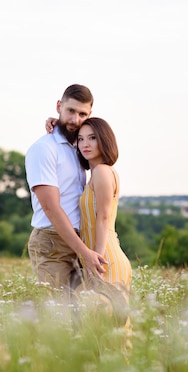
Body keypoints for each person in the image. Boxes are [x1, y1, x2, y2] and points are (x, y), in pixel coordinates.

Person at [25, 84, 107, 297]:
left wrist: (85, 249)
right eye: (70, 111)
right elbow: (51, 208)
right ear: (59, 106)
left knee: (81, 315)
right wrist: (84, 252)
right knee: (58, 315)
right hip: (53, 242)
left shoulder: (79, 147)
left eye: (82, 114)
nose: (75, 120)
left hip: (81, 240)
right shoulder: (44, 149)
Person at [75, 117, 132, 325]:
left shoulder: (101, 171)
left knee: (110, 332)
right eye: (80, 139)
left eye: (92, 138)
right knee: (106, 330)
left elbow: (104, 216)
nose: (85, 144)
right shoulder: (98, 173)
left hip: (105, 259)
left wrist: (96, 259)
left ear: (104, 139)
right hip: (100, 256)